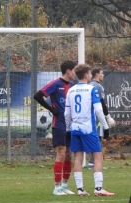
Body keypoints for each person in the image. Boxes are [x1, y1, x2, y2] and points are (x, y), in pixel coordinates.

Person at [64, 63, 115, 196]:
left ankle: (80, 190)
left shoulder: (71, 90)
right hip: (88, 128)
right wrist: (105, 126)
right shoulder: (91, 89)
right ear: (86, 75)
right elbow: (98, 110)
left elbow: (66, 114)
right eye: (90, 73)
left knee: (78, 158)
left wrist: (68, 129)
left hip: (75, 128)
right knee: (97, 156)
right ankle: (98, 189)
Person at [34, 60, 77, 195]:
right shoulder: (55, 83)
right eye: (74, 70)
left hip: (71, 124)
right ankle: (56, 187)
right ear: (68, 71)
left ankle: (64, 185)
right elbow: (38, 96)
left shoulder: (72, 85)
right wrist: (53, 111)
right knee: (61, 153)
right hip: (58, 123)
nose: (76, 73)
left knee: (69, 155)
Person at [87, 67, 115, 169]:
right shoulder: (97, 86)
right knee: (97, 139)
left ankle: (91, 162)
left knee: (95, 139)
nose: (103, 75)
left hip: (89, 117)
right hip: (95, 118)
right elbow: (101, 103)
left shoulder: (90, 85)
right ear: (96, 74)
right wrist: (108, 117)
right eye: (102, 73)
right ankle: (93, 163)